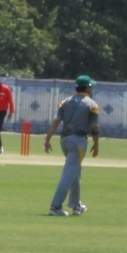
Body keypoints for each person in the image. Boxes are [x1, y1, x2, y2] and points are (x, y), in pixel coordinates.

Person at [44, 75, 100, 216]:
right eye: (91, 86)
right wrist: (96, 144)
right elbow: (94, 127)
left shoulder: (66, 102)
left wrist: (47, 139)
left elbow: (56, 121)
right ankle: (55, 207)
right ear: (87, 87)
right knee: (69, 173)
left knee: (76, 172)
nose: (92, 88)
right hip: (78, 142)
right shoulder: (91, 104)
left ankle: (76, 206)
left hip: (64, 141)